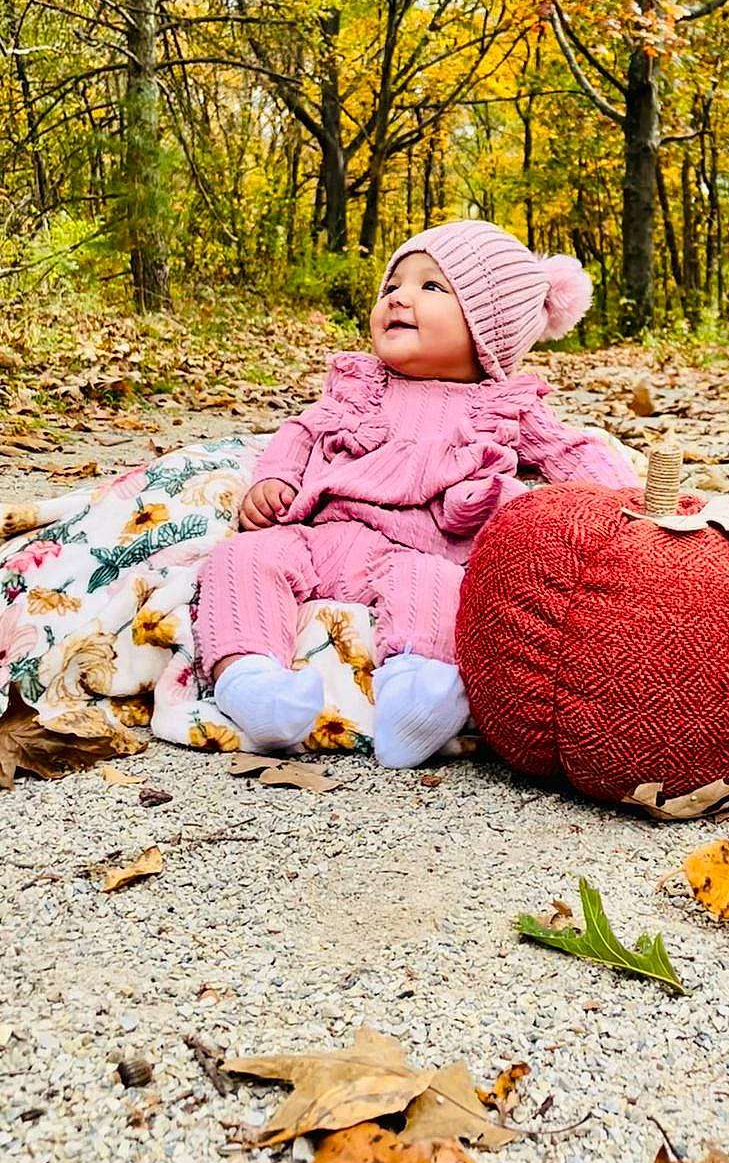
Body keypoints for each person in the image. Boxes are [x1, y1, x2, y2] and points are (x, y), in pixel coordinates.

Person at [195, 219, 643, 767]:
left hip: (427, 548)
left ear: (488, 328)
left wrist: (628, 509)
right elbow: (303, 432)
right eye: (392, 286)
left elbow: (572, 452)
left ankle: (421, 695)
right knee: (241, 557)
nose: (400, 297)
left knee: (442, 592)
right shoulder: (361, 386)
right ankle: (250, 679)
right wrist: (276, 479)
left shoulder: (503, 406)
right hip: (325, 534)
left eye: (431, 287)